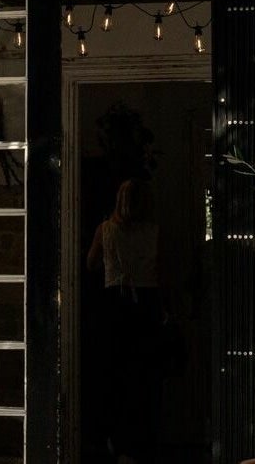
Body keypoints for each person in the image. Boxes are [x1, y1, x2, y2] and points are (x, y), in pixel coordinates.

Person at [86, 179, 162, 464]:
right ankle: (142, 443)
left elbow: (90, 263)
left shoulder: (105, 230)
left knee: (114, 374)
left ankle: (118, 443)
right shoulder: (153, 232)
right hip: (146, 303)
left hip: (115, 303)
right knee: (143, 375)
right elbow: (162, 271)